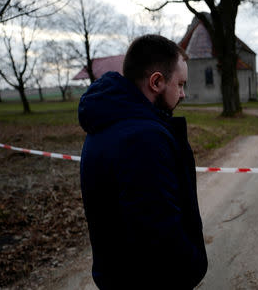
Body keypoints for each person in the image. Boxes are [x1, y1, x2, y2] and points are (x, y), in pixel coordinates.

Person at [78, 34, 208, 289]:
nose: (182, 94)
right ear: (157, 81)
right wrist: (191, 266)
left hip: (117, 275)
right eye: (180, 84)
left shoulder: (105, 123)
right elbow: (158, 229)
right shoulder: (143, 138)